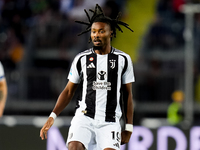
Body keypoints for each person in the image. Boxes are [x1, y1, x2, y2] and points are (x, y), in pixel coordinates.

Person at [40, 4, 135, 150]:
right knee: (74, 147)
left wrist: (128, 127)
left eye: (101, 31)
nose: (96, 35)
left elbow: (128, 95)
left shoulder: (123, 59)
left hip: (110, 121)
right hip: (84, 118)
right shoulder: (81, 59)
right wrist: (53, 115)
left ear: (111, 33)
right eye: (93, 31)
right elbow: (68, 91)